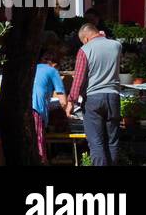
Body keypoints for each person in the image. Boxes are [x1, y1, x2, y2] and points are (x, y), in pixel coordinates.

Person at [67, 23, 123, 166]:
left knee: (96, 143)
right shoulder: (116, 45)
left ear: (85, 39)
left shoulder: (84, 50)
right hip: (113, 97)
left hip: (93, 99)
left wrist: (71, 101)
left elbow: (78, 79)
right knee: (112, 141)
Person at [32, 46, 67, 163]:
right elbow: (62, 99)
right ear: (54, 63)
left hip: (24, 109)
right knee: (39, 146)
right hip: (36, 109)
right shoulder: (52, 71)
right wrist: (68, 114)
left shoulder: (33, 68)